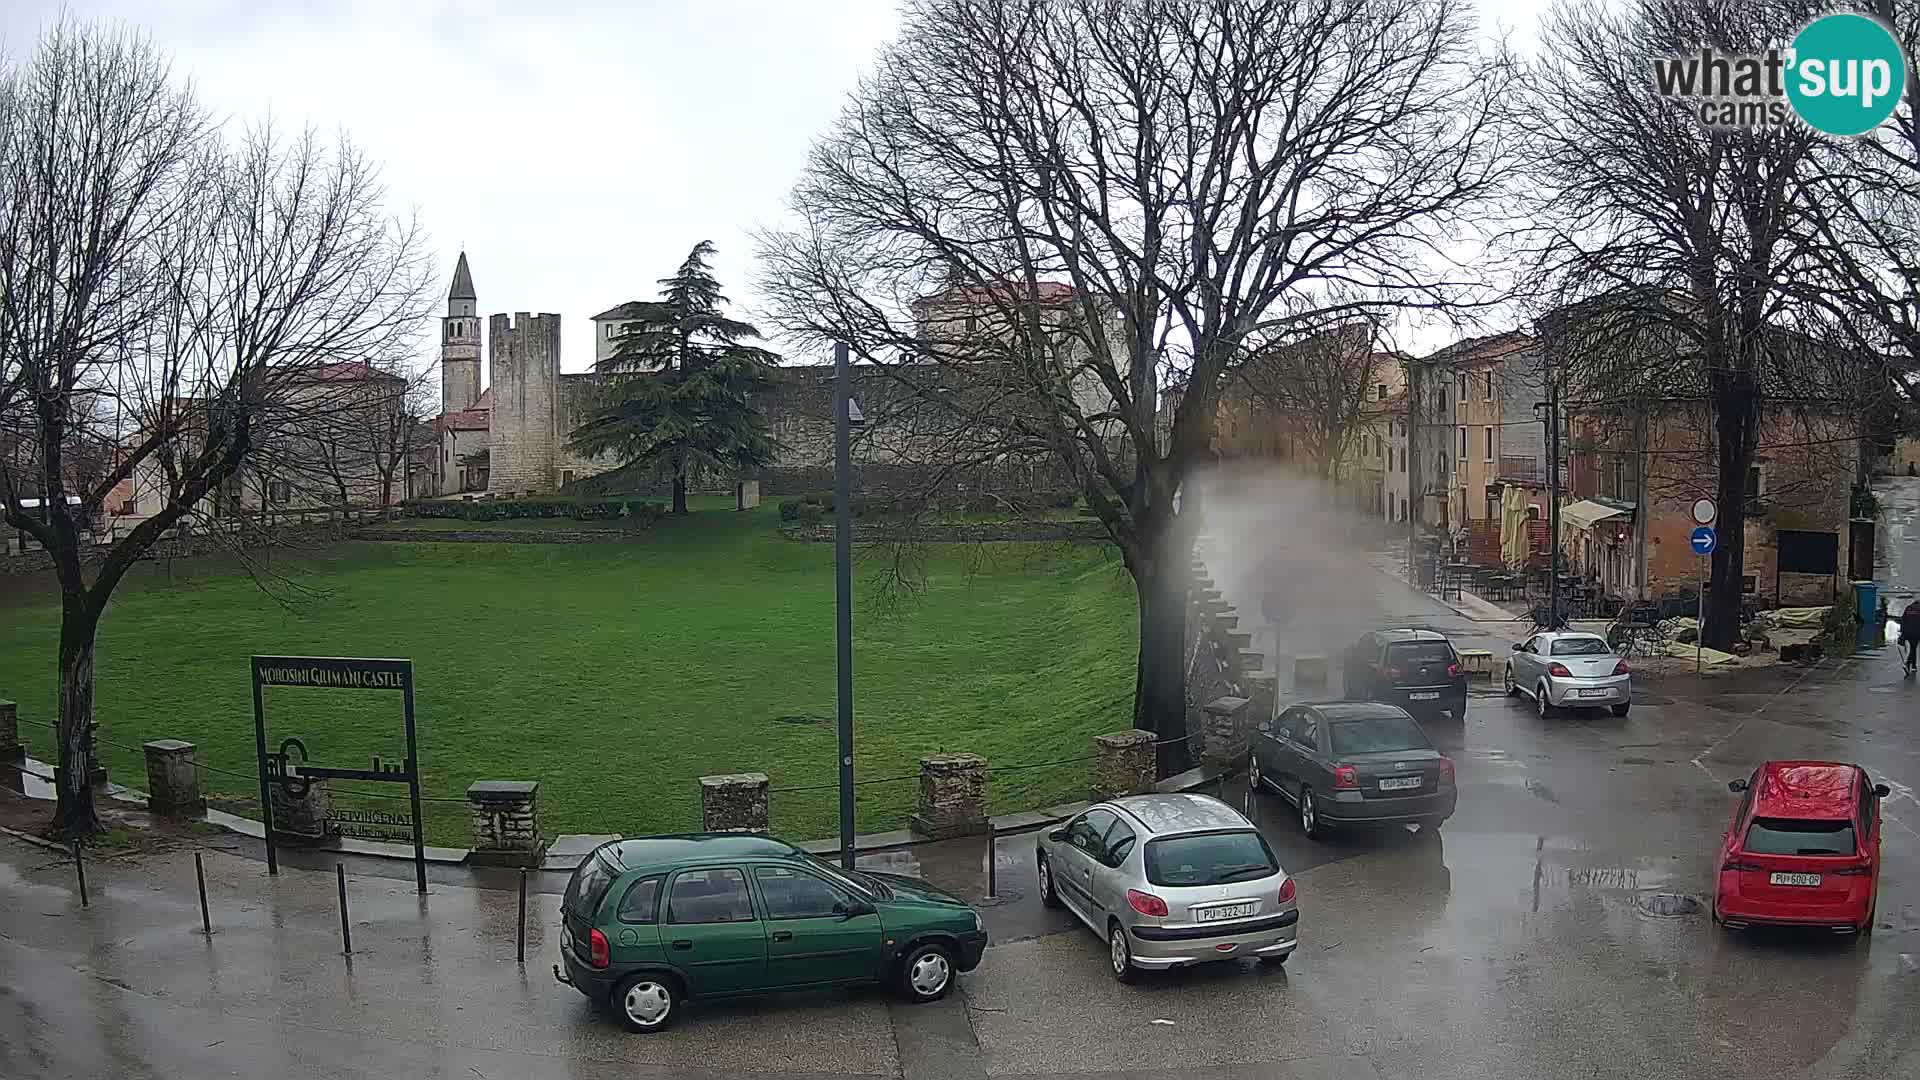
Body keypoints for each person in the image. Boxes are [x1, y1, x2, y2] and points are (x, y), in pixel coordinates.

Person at [1901, 600, 1920, 675]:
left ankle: (1914, 666)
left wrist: (1902, 633)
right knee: (1913, 648)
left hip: (1908, 632)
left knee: (1913, 648)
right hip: (1917, 632)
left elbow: (1903, 620)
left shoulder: (1908, 608)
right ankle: (1907, 663)